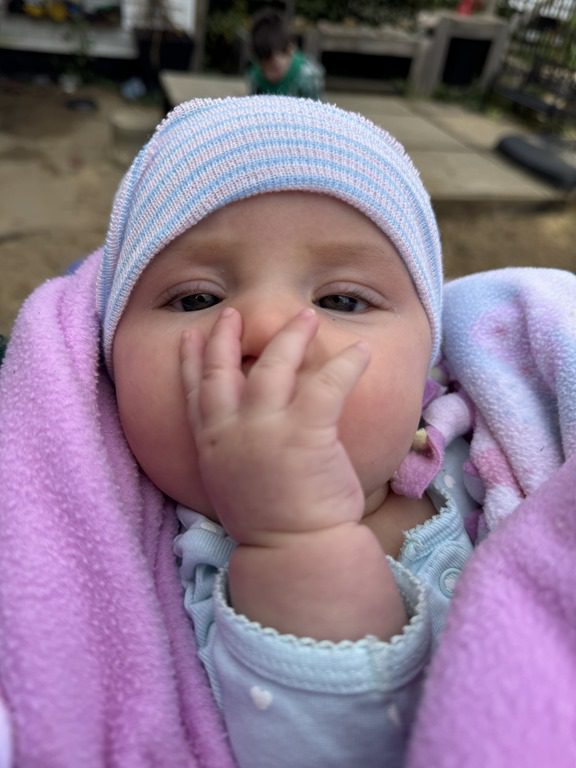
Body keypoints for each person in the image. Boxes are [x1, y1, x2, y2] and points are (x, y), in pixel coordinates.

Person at [1, 96, 574, 768]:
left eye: (342, 300)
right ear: (108, 365)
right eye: (196, 298)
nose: (267, 328)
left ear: (429, 360)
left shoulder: (507, 455)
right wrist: (295, 542)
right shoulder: (142, 590)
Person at [247, 8, 324, 98]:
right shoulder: (255, 75)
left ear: (290, 49)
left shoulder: (309, 76)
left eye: (273, 67)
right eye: (265, 68)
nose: (269, 75)